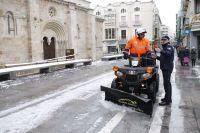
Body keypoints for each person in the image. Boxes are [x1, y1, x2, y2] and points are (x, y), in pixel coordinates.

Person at [155, 35, 174, 106]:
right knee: (166, 84)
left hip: (167, 68)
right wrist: (156, 57)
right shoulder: (165, 48)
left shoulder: (169, 47)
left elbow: (168, 54)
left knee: (167, 84)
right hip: (165, 67)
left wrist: (161, 51)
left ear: (168, 41)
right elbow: (163, 58)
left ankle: (168, 100)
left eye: (164, 40)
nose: (162, 41)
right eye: (162, 39)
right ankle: (167, 98)